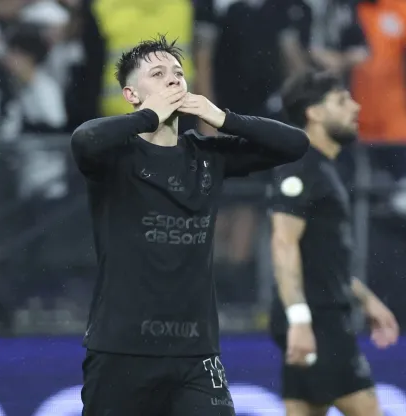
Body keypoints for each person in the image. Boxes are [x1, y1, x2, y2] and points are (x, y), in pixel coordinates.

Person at [70, 35, 309, 416]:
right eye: (159, 73)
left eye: (179, 73)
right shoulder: (115, 156)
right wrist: (149, 116)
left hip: (195, 355)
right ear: (131, 94)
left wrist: (225, 119)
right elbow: (84, 139)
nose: (173, 80)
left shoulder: (207, 155)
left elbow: (294, 144)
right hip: (122, 351)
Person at [268, 71, 399, 416]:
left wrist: (366, 299)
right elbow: (283, 243)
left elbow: (322, 256)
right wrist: (299, 320)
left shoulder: (322, 169)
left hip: (317, 318)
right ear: (314, 112)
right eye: (342, 100)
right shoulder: (300, 169)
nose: (355, 106)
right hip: (317, 323)